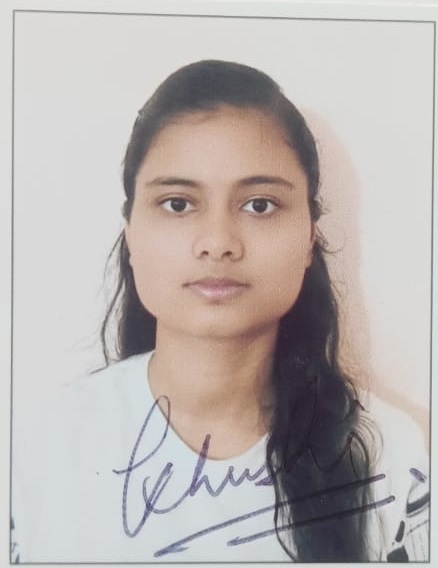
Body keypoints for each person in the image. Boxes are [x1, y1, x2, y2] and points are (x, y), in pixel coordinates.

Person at [11, 60, 429, 563]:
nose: (217, 242)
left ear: (309, 238)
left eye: (259, 205)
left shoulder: (389, 455)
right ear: (131, 234)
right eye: (178, 204)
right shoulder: (35, 451)